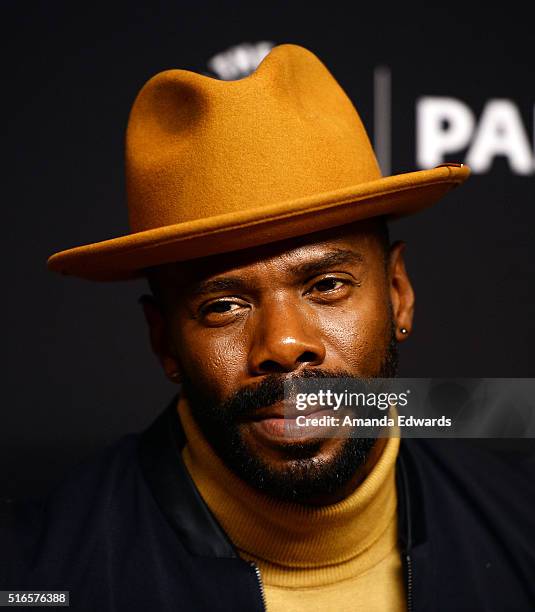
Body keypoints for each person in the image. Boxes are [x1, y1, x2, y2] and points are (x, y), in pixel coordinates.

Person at [1, 44, 534, 611]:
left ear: (398, 294)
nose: (283, 344)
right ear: (164, 340)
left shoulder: (520, 522)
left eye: (327, 285)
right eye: (223, 305)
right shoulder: (39, 576)